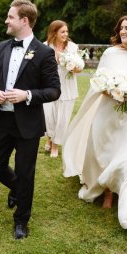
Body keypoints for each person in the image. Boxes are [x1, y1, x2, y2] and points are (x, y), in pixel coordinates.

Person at [62, 14, 127, 236]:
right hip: (108, 111)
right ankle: (107, 191)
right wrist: (112, 91)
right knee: (104, 153)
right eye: (121, 28)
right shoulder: (110, 53)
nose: (123, 31)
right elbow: (98, 81)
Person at [0, 0, 60, 240]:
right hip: (1, 119)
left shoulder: (45, 52)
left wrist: (26, 95)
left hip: (28, 123)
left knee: (26, 172)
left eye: (10, 17)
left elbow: (54, 90)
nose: (6, 20)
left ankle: (21, 220)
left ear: (24, 21)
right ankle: (18, 189)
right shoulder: (3, 47)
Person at [43, 20, 80, 158]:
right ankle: (50, 137)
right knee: (49, 117)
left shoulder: (72, 47)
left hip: (67, 87)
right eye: (62, 31)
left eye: (66, 31)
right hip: (48, 86)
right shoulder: (45, 46)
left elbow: (78, 69)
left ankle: (55, 145)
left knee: (62, 119)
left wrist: (72, 66)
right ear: (54, 33)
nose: (66, 34)